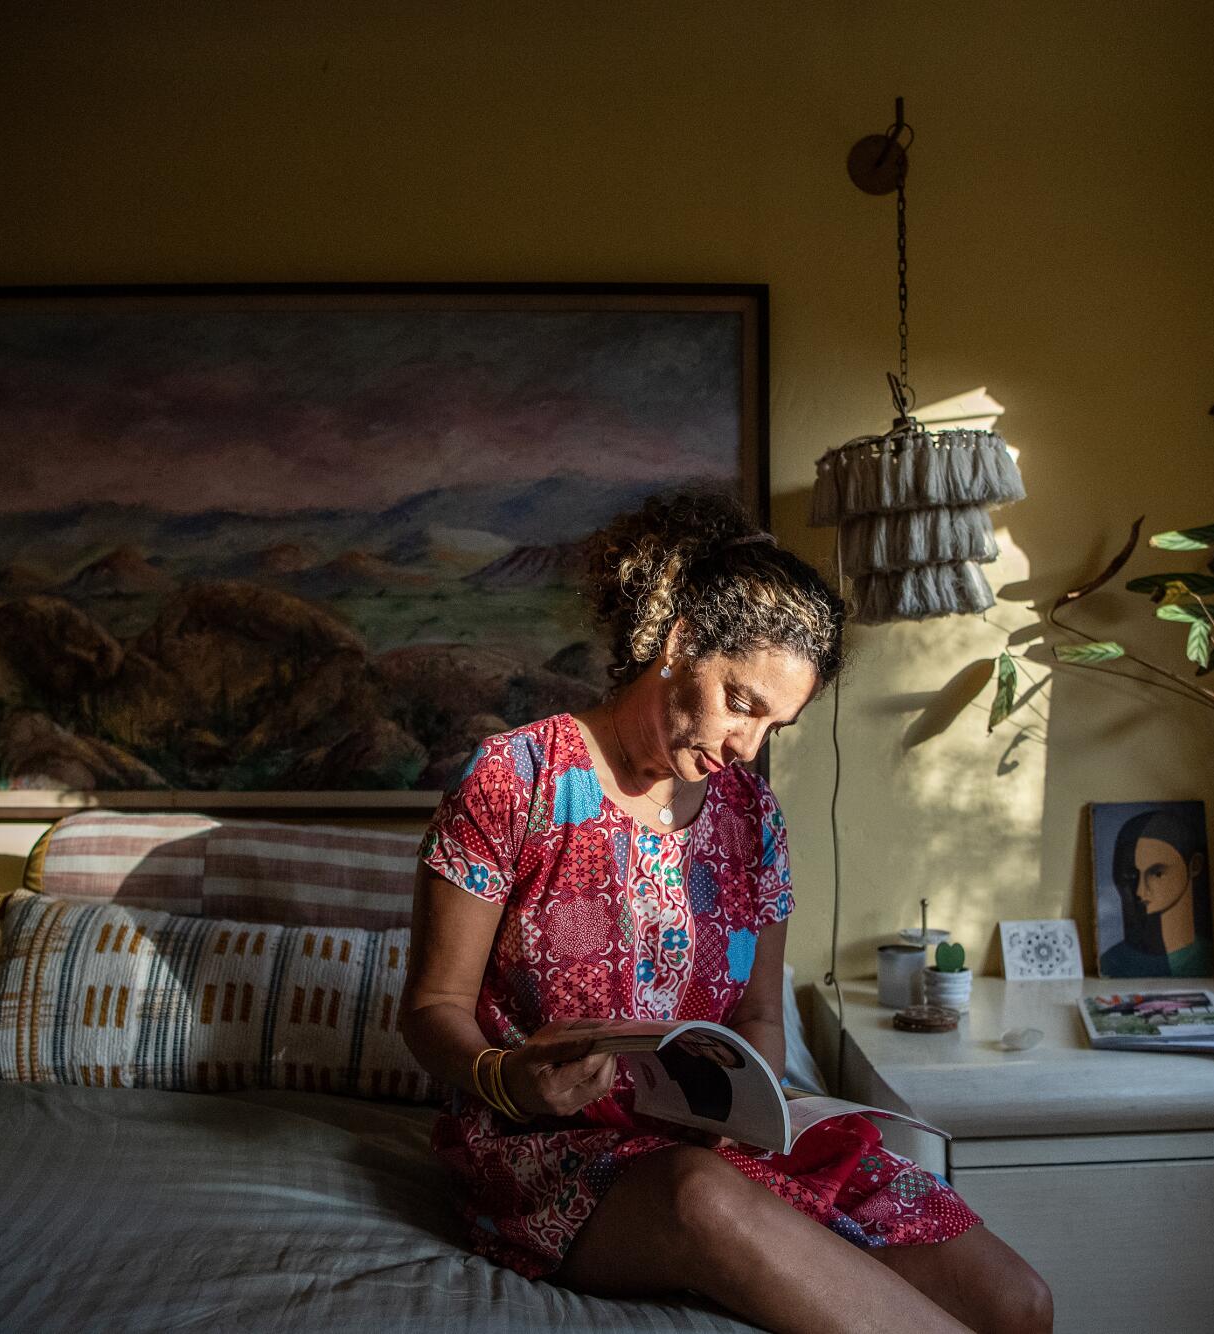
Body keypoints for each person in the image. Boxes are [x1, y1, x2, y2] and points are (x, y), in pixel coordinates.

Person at [398, 492, 1053, 1334]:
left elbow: (755, 1017)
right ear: (677, 645)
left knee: (1017, 1303)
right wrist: (508, 1077)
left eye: (774, 724)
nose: (748, 746)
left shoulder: (753, 820)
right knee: (700, 1193)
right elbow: (430, 1010)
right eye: (742, 703)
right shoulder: (513, 778)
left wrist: (759, 1110)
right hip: (542, 1147)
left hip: (717, 1141)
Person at [1097, 807, 1213, 978]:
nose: (1139, 890)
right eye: (1130, 874)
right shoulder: (1110, 964)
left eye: (1157, 873)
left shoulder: (1205, 959)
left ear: (1194, 866)